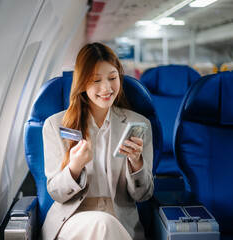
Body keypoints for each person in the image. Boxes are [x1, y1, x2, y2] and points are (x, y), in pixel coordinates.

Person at [41, 42, 154, 240]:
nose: (107, 88)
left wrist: (137, 163)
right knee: (102, 224)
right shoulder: (55, 125)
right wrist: (75, 167)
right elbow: (56, 194)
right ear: (82, 83)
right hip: (71, 219)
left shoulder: (138, 124)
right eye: (96, 80)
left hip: (121, 219)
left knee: (106, 224)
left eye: (112, 78)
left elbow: (143, 195)